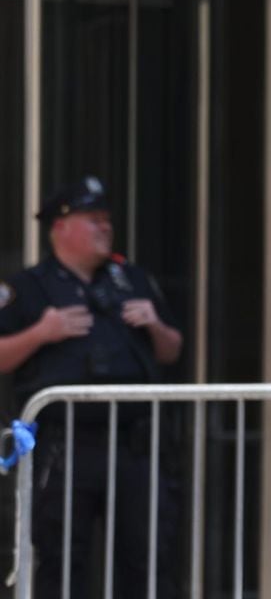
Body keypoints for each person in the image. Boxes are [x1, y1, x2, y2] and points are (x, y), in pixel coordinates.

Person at [0, 176, 183, 598]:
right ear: (60, 228)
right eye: (93, 220)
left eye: (107, 220)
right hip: (64, 451)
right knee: (60, 563)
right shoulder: (29, 288)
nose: (105, 228)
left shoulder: (131, 280)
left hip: (135, 448)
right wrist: (40, 333)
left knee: (150, 562)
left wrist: (155, 324)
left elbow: (173, 350)